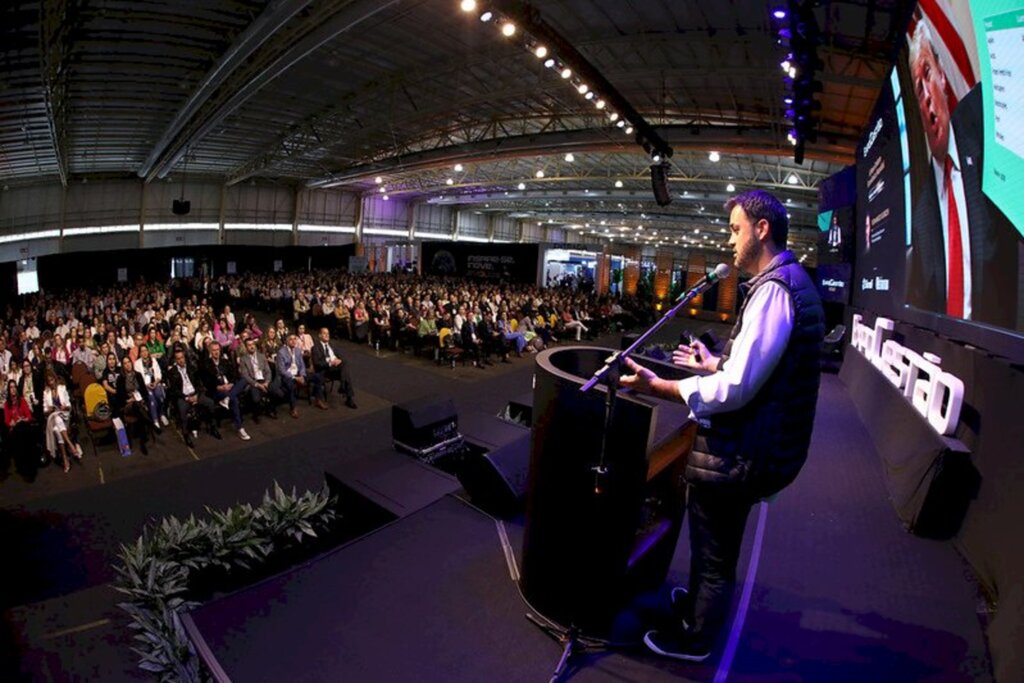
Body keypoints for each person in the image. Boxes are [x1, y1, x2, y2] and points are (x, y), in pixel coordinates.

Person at [620, 190, 824, 661]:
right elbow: (760, 372)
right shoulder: (786, 283)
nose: (729, 240)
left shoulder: (775, 289)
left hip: (746, 452)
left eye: (735, 229)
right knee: (714, 544)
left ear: (762, 228)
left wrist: (667, 388)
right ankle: (696, 609)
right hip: (761, 444)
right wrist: (715, 365)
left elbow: (740, 390)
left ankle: (695, 637)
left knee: (714, 554)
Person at [906, 21, 1018, 328]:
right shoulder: (923, 214)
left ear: (942, 77)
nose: (926, 95)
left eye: (927, 74)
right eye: (917, 89)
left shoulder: (984, 132)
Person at [166, 347, 220, 448]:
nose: (181, 360)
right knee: (182, 411)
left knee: (210, 403)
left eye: (182, 357)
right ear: (175, 360)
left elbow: (199, 384)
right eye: (178, 359)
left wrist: (197, 395)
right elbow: (174, 390)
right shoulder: (172, 372)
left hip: (195, 394)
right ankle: (186, 435)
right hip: (183, 397)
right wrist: (186, 398)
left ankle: (213, 427)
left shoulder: (192, 367)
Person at [199, 341, 251, 441]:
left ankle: (227, 398)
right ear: (210, 351)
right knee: (234, 400)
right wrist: (220, 387)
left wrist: (230, 384)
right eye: (214, 350)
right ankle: (240, 428)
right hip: (217, 390)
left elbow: (234, 375)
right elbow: (206, 382)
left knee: (244, 380)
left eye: (217, 350)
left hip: (230, 387)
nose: (216, 352)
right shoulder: (206, 365)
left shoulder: (225, 362)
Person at [310, 327, 357, 409]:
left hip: (335, 368)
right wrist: (330, 363)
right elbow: (317, 364)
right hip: (325, 370)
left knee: (345, 364)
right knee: (345, 374)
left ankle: (347, 394)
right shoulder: (315, 347)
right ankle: (346, 393)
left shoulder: (332, 345)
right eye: (324, 333)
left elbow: (341, 357)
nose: (327, 335)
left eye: (328, 333)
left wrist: (338, 360)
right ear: (320, 335)